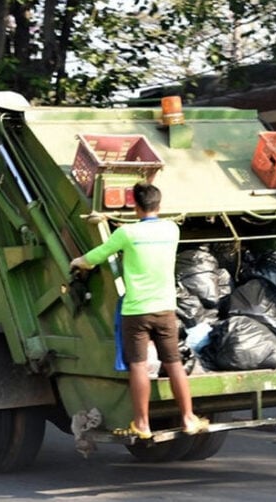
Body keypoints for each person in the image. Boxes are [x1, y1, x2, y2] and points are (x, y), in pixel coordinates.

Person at [70, 182, 209, 439]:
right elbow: (146, 225)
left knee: (138, 365)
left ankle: (142, 424)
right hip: (166, 309)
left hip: (136, 312)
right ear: (160, 205)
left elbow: (95, 257)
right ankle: (189, 418)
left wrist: (78, 261)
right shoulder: (172, 229)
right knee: (174, 363)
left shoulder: (126, 234)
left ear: (135, 206)